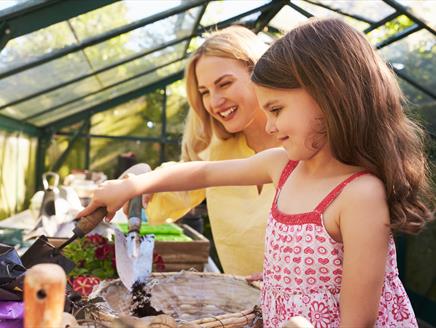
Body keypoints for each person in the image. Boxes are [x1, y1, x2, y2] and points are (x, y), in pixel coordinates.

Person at [78, 18, 433, 327]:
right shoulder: (283, 166)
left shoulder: (360, 195)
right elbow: (203, 172)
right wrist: (134, 184)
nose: (272, 125)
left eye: (276, 109)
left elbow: (358, 321)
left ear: (330, 96)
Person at [132, 25, 278, 276]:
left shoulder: (303, 144)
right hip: (243, 307)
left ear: (259, 73)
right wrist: (139, 180)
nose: (214, 101)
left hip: (315, 310)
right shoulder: (216, 150)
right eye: (205, 92)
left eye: (225, 84)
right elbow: (161, 200)